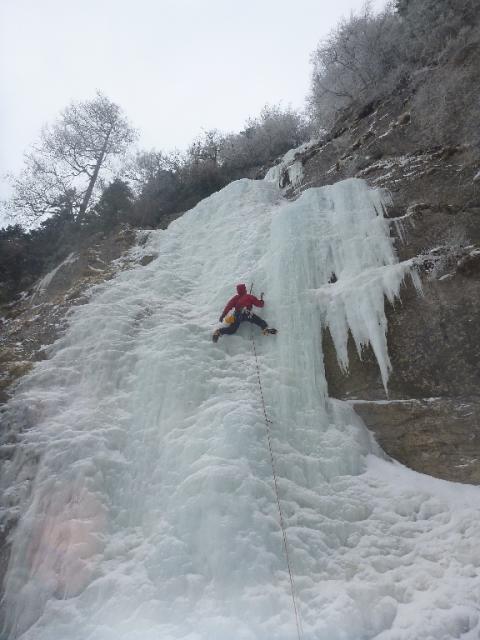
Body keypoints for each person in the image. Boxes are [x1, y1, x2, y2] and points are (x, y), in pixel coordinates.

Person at [212, 283, 277, 343]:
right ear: (244, 289)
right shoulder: (249, 296)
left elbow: (228, 306)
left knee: (232, 329)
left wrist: (223, 315)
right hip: (246, 313)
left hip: (237, 315)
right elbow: (259, 304)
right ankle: (265, 329)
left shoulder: (235, 298)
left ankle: (218, 332)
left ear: (238, 291)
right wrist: (262, 300)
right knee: (258, 320)